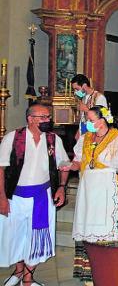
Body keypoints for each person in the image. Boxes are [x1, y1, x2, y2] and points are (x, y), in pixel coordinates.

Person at [0, 104, 70, 286]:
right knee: (16, 236)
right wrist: (1, 198)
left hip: (42, 196)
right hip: (15, 196)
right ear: (30, 119)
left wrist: (61, 187)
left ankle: (28, 279)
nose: (48, 120)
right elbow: (1, 169)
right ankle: (18, 272)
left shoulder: (53, 140)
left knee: (36, 238)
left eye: (48, 117)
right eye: (43, 117)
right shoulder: (13, 138)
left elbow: (64, 164)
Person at [69, 106, 118, 283]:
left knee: (105, 228)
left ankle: (107, 271)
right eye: (87, 119)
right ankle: (88, 272)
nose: (88, 123)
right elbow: (77, 161)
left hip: (107, 188)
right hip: (87, 188)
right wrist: (68, 166)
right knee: (87, 226)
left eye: (91, 120)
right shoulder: (85, 138)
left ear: (103, 120)